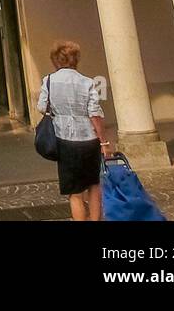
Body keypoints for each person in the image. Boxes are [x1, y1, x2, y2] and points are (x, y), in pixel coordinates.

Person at [38, 40, 111, 222]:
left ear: (55, 60)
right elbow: (94, 114)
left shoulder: (48, 81)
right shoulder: (87, 82)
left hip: (65, 140)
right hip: (89, 139)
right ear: (76, 59)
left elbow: (41, 107)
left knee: (75, 192)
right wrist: (104, 142)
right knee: (94, 184)